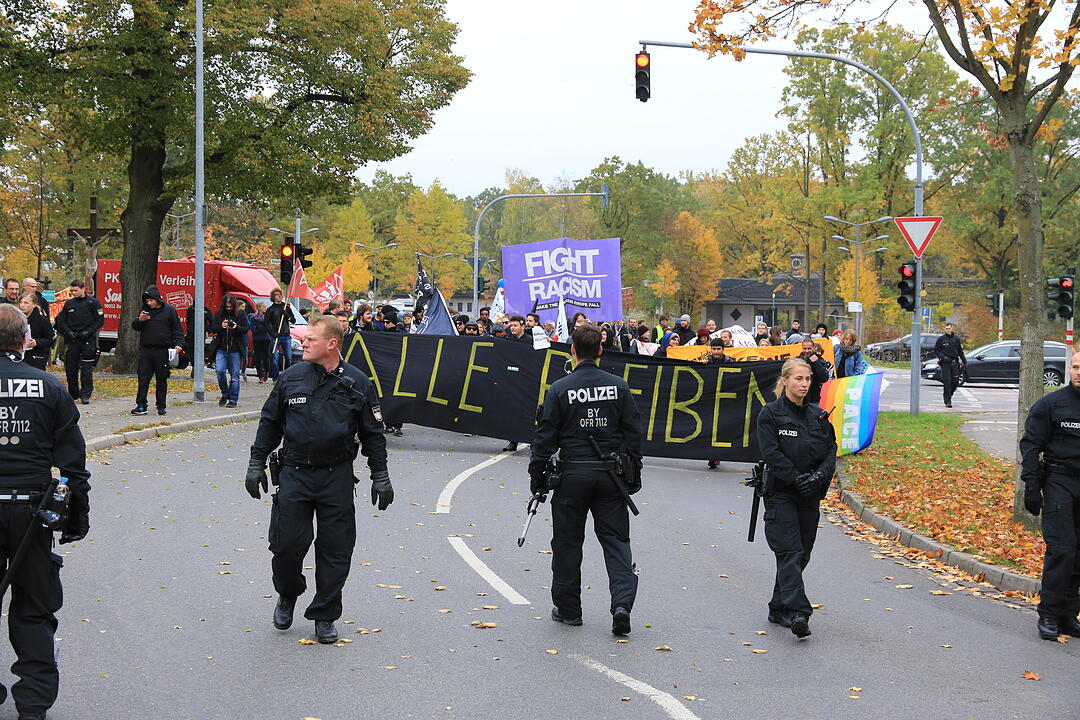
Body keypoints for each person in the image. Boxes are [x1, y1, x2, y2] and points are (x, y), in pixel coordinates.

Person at [246, 315, 390, 644]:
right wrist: (256, 463)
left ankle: (325, 614)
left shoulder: (357, 383)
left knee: (336, 550)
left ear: (332, 344)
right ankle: (288, 593)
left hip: (335, 477)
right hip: (294, 475)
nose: (303, 342)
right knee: (285, 547)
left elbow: (373, 434)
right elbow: (270, 423)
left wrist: (380, 475)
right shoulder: (291, 377)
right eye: (304, 338)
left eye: (311, 339)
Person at [0, 303, 91, 720]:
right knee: (34, 607)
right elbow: (73, 463)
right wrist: (77, 516)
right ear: (25, 340)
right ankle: (33, 702)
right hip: (31, 512)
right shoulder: (48, 387)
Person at [529, 323, 643, 635]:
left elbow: (544, 439)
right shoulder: (619, 387)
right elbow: (634, 435)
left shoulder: (559, 389)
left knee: (567, 543)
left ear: (573, 351)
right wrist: (635, 474)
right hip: (611, 476)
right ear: (601, 351)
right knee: (617, 542)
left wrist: (536, 477)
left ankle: (568, 610)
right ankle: (621, 603)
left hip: (572, 476)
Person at [755, 357, 837, 639]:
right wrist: (795, 478)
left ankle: (778, 607)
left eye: (807, 380)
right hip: (782, 493)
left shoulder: (818, 415)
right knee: (788, 551)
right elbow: (771, 453)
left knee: (802, 552)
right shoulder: (771, 414)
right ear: (785, 381)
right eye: (799, 379)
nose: (804, 384)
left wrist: (818, 477)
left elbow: (830, 450)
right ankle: (799, 612)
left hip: (810, 494)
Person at [1020, 350, 1080, 641]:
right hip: (1059, 481)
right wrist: (1031, 485)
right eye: (1076, 367)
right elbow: (1031, 444)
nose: (1079, 373)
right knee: (1063, 548)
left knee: (1078, 554)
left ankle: (1069, 615)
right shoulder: (1051, 405)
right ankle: (1049, 614)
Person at [130, 286, 183, 416]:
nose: (149, 303)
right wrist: (140, 320)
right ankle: (141, 404)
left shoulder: (169, 310)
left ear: (157, 299)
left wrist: (179, 344)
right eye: (147, 301)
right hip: (146, 350)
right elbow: (135, 326)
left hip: (162, 350)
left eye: (151, 300)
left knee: (161, 378)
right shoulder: (145, 311)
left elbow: (177, 329)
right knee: (143, 378)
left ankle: (161, 405)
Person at [54, 280, 104, 404]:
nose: (74, 293)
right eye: (72, 291)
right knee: (71, 368)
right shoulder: (69, 304)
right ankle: (73, 393)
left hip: (87, 339)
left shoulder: (93, 302)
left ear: (83, 289)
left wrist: (89, 331)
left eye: (76, 290)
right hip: (73, 340)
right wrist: (68, 332)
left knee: (86, 368)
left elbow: (100, 320)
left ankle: (85, 394)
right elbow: (61, 320)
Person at [211, 293, 249, 408]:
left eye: (230, 307)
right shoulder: (219, 314)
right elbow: (213, 328)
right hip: (221, 348)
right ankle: (225, 393)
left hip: (235, 350)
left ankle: (233, 399)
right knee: (220, 371)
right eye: (226, 307)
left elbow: (246, 329)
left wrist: (236, 327)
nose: (228, 309)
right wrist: (221, 326)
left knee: (235, 375)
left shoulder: (241, 314)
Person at [19, 292, 55, 371]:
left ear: (34, 304)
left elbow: (50, 340)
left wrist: (37, 342)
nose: (22, 305)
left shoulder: (42, 321)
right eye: (21, 302)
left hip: (36, 357)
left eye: (26, 303)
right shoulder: (16, 319)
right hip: (18, 357)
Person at [934, 323, 966, 408]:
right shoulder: (941, 339)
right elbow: (936, 350)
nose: (948, 330)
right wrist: (943, 357)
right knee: (947, 382)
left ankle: (950, 394)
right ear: (945, 329)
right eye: (946, 329)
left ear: (952, 329)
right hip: (945, 363)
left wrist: (964, 362)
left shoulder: (956, 339)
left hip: (954, 362)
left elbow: (960, 352)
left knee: (955, 382)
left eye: (949, 328)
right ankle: (947, 400)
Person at [265, 289, 293, 379]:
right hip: (275, 337)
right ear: (273, 297)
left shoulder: (286, 308)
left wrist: (287, 315)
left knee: (288, 358)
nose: (279, 296)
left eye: (280, 294)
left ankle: (287, 377)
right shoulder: (270, 310)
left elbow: (293, 320)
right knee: (274, 359)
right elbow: (266, 323)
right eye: (277, 295)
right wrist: (273, 333)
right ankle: (276, 378)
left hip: (286, 336)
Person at [798, 338, 833, 405]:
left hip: (814, 399)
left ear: (813, 348)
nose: (807, 351)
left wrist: (815, 362)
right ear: (802, 349)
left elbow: (824, 378)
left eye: (809, 348)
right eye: (805, 348)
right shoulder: (797, 361)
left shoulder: (820, 360)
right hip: (800, 398)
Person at [249, 302, 273, 383]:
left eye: (265, 306)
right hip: (257, 340)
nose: (265, 308)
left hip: (266, 339)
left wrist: (259, 327)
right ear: (259, 308)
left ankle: (266, 371)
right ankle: (260, 376)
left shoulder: (268, 317)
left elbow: (269, 328)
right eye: (263, 306)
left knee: (266, 358)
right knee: (258, 359)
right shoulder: (253, 318)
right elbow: (253, 329)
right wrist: (262, 327)